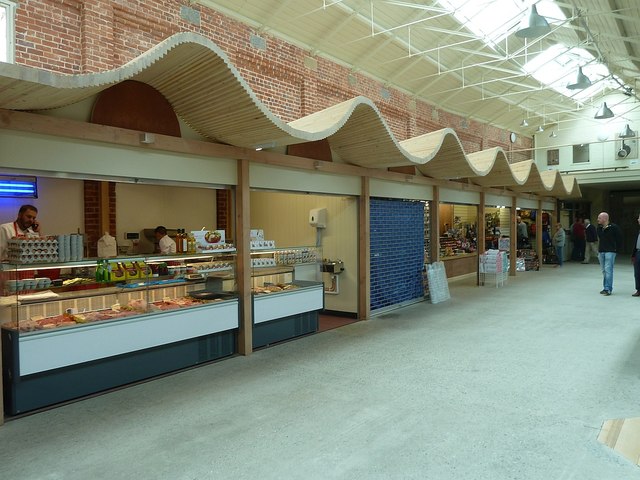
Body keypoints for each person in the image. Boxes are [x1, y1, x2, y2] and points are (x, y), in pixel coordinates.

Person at [596, 212, 623, 296]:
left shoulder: (614, 227)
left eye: (599, 218)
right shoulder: (599, 228)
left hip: (610, 251)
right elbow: (600, 238)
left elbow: (620, 238)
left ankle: (608, 288)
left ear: (605, 219)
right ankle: (605, 287)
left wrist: (616, 249)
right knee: (604, 270)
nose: (598, 219)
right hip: (602, 251)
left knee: (608, 270)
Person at [632, 213, 640, 297]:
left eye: (639, 218)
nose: (638, 220)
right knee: (637, 273)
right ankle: (638, 289)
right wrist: (633, 255)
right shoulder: (638, 230)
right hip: (638, 253)